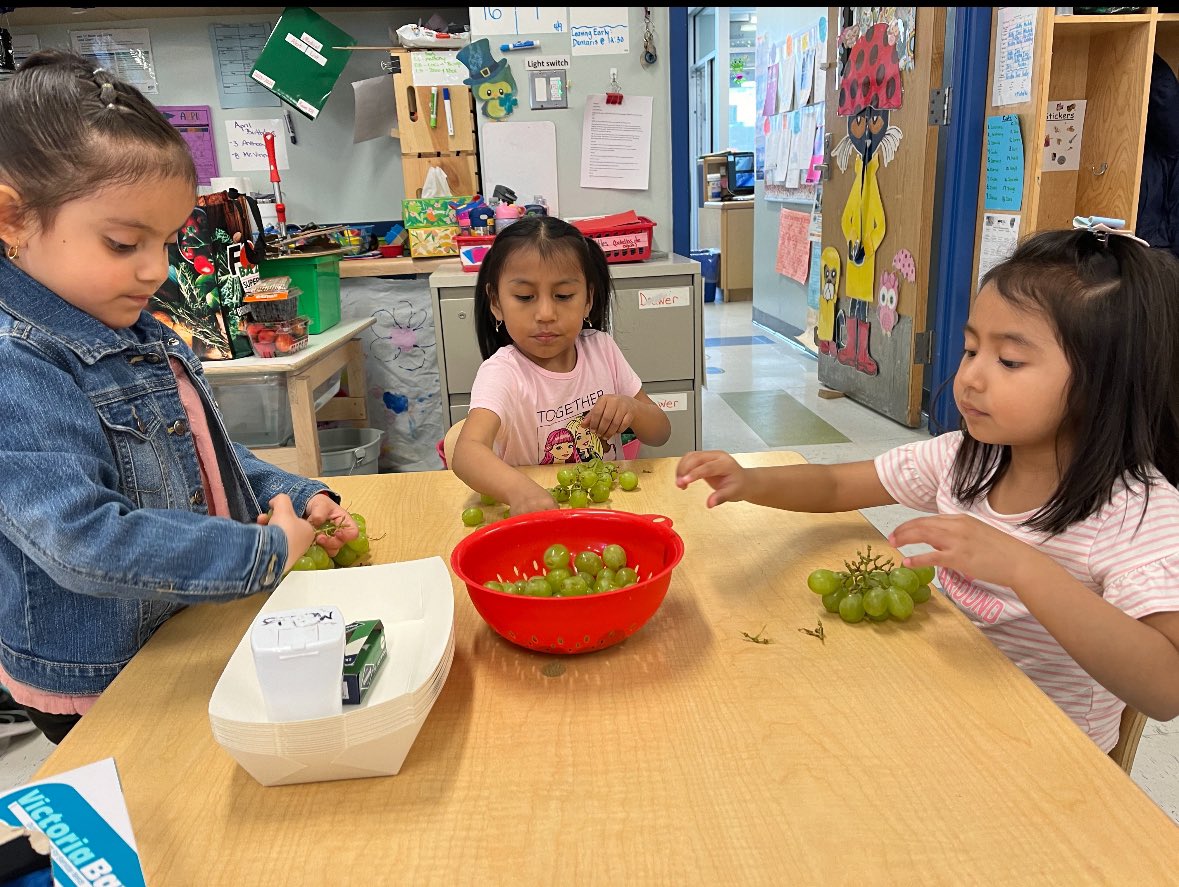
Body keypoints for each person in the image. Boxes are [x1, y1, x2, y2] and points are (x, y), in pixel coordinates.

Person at [676, 228, 1179, 752]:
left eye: (1008, 361)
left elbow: (1165, 691)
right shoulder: (969, 458)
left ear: (1106, 380)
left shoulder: (1137, 514)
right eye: (970, 349)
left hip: (1047, 755)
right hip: (945, 708)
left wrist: (1024, 568)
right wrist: (752, 480)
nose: (970, 379)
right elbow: (838, 482)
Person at [0, 51, 358, 744]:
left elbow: (200, 459)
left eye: (166, 241)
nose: (154, 269)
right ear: (11, 219)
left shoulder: (128, 323)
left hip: (178, 635)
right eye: (124, 241)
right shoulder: (19, 362)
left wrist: (294, 493)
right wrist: (260, 554)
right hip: (104, 678)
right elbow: (84, 539)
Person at [452, 215, 671, 514]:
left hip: (607, 509)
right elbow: (466, 453)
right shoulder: (502, 373)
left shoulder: (602, 349)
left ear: (587, 300)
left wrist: (632, 410)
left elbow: (660, 433)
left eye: (564, 295)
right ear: (496, 302)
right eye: (525, 296)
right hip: (538, 515)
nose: (545, 313)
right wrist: (520, 492)